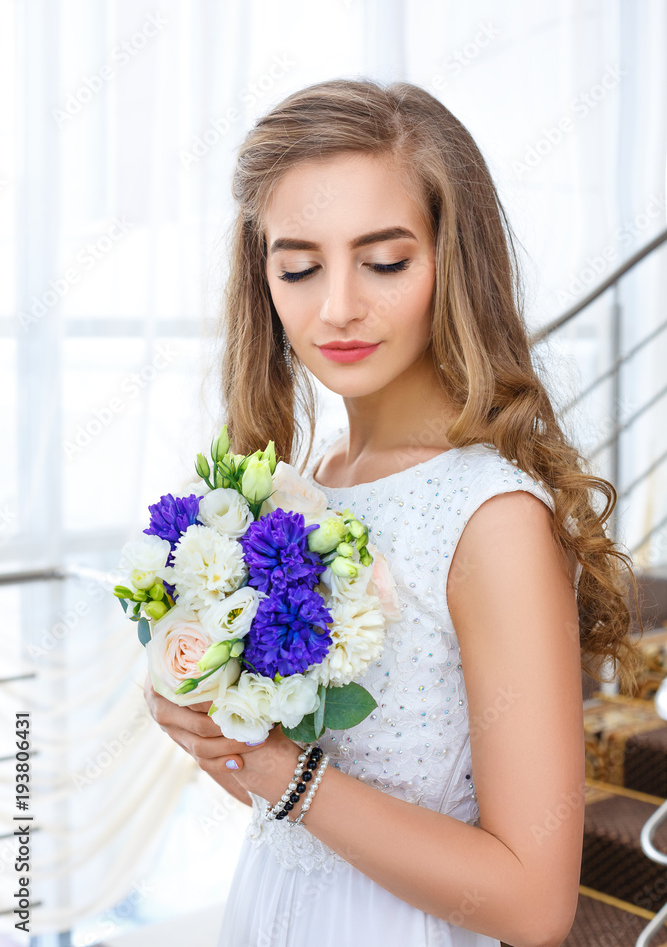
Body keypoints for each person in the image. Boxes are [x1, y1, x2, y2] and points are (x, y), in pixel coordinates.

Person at [144, 77, 643, 946]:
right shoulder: (305, 483)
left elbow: (533, 906)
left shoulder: (489, 519)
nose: (336, 306)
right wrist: (202, 710)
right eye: (298, 265)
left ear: (454, 262)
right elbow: (283, 799)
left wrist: (279, 770)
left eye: (383, 261)